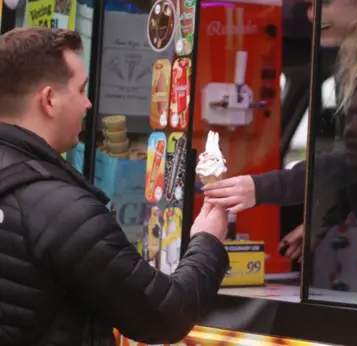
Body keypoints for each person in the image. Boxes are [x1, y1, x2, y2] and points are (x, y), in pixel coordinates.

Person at [0, 27, 230, 346]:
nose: (89, 104)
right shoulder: (62, 211)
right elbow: (165, 317)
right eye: (81, 90)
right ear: (49, 100)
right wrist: (208, 240)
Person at [206, 71, 357, 296]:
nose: (352, 128)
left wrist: (259, 188)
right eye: (349, 118)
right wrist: (316, 223)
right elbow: (351, 185)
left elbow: (335, 170)